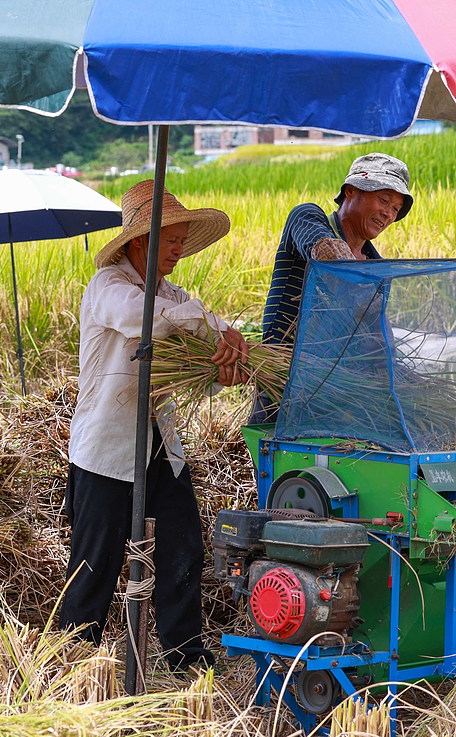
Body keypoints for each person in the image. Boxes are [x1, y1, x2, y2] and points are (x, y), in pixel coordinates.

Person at [58, 179, 249, 673]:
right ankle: (71, 658)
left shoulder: (172, 293)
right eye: (172, 240)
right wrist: (218, 329)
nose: (180, 250)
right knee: (94, 562)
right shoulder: (110, 287)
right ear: (141, 240)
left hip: (160, 443)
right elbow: (149, 321)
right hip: (106, 448)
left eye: (184, 241)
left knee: (182, 547)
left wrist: (227, 360)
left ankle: (185, 656)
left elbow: (199, 364)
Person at [251, 152, 413, 423]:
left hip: (340, 399)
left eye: (396, 209)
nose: (388, 213)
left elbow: (375, 342)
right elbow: (330, 257)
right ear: (351, 191)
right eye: (383, 200)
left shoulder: (376, 266)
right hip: (284, 388)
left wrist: (395, 382)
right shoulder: (308, 219)